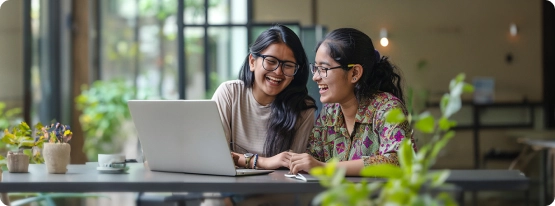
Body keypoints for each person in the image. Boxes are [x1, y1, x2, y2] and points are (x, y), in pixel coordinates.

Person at [288, 28, 416, 176]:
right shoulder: (329, 112)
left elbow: (397, 161)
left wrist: (325, 168)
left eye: (323, 69)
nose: (316, 77)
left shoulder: (388, 108)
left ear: (354, 73)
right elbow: (314, 157)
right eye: (315, 68)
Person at [212, 25, 317, 170]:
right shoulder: (229, 94)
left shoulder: (303, 109)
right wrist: (262, 162)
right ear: (252, 62)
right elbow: (214, 155)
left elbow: (292, 167)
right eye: (271, 61)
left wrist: (239, 159)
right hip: (228, 189)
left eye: (287, 65)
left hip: (276, 190)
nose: (278, 72)